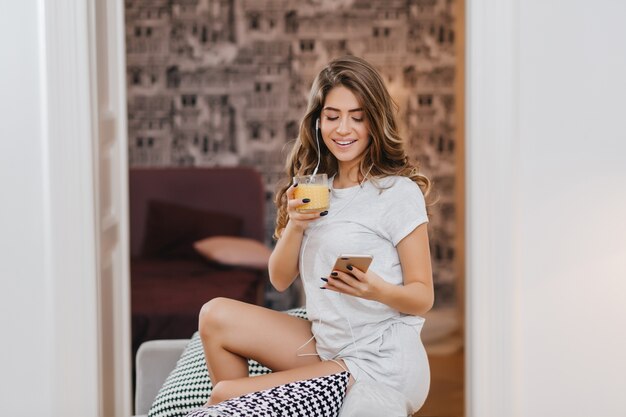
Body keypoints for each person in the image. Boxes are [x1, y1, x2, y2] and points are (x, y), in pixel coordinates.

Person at [197, 55, 434, 415]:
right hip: (327, 345)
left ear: (374, 123)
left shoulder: (396, 192)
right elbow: (278, 280)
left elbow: (423, 296)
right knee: (214, 315)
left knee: (225, 395)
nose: (343, 129)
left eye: (358, 117)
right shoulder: (313, 187)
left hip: (377, 358)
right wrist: (295, 224)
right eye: (333, 116)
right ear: (318, 121)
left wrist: (375, 289)